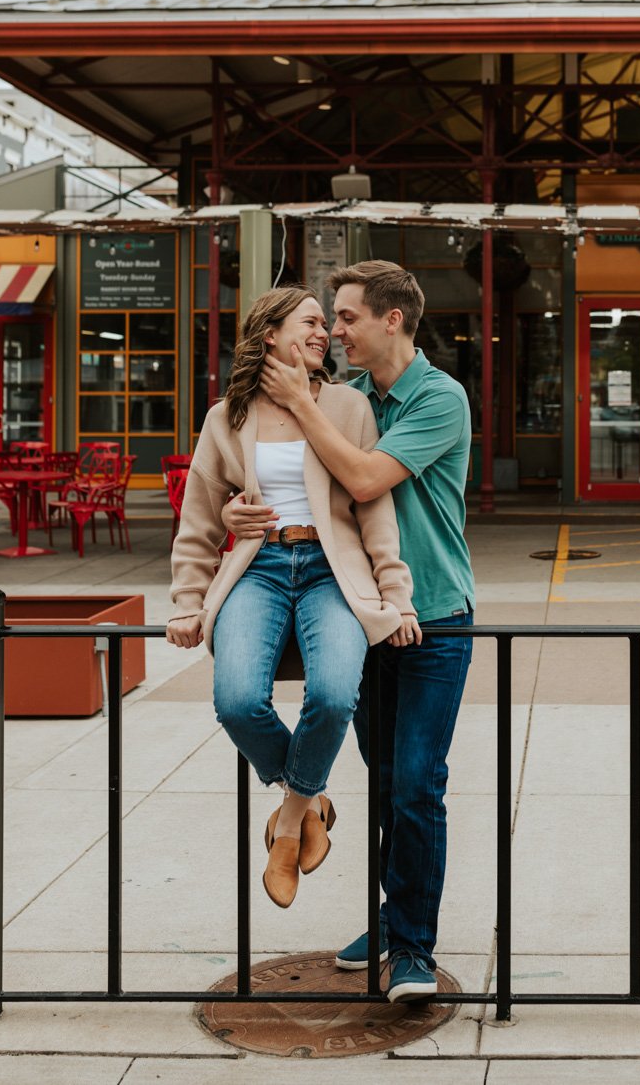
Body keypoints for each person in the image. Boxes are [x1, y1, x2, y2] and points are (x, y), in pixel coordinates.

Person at [223, 261, 474, 1004]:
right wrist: (244, 513)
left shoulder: (440, 397)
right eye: (329, 318)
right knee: (388, 780)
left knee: (419, 787)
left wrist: (303, 406)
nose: (335, 330)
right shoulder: (348, 396)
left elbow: (364, 481)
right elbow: (289, 480)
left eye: (348, 317)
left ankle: (414, 951)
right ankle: (393, 917)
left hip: (433, 616)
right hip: (366, 616)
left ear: (391, 320)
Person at [166, 284, 417, 910]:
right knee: (236, 701)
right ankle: (310, 798)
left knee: (334, 695)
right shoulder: (228, 416)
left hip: (334, 570)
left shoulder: (347, 406)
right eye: (308, 322)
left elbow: (373, 505)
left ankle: (288, 819)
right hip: (260, 568)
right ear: (270, 333)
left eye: (324, 325)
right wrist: (186, 600)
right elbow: (199, 516)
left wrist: (395, 593)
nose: (324, 333)